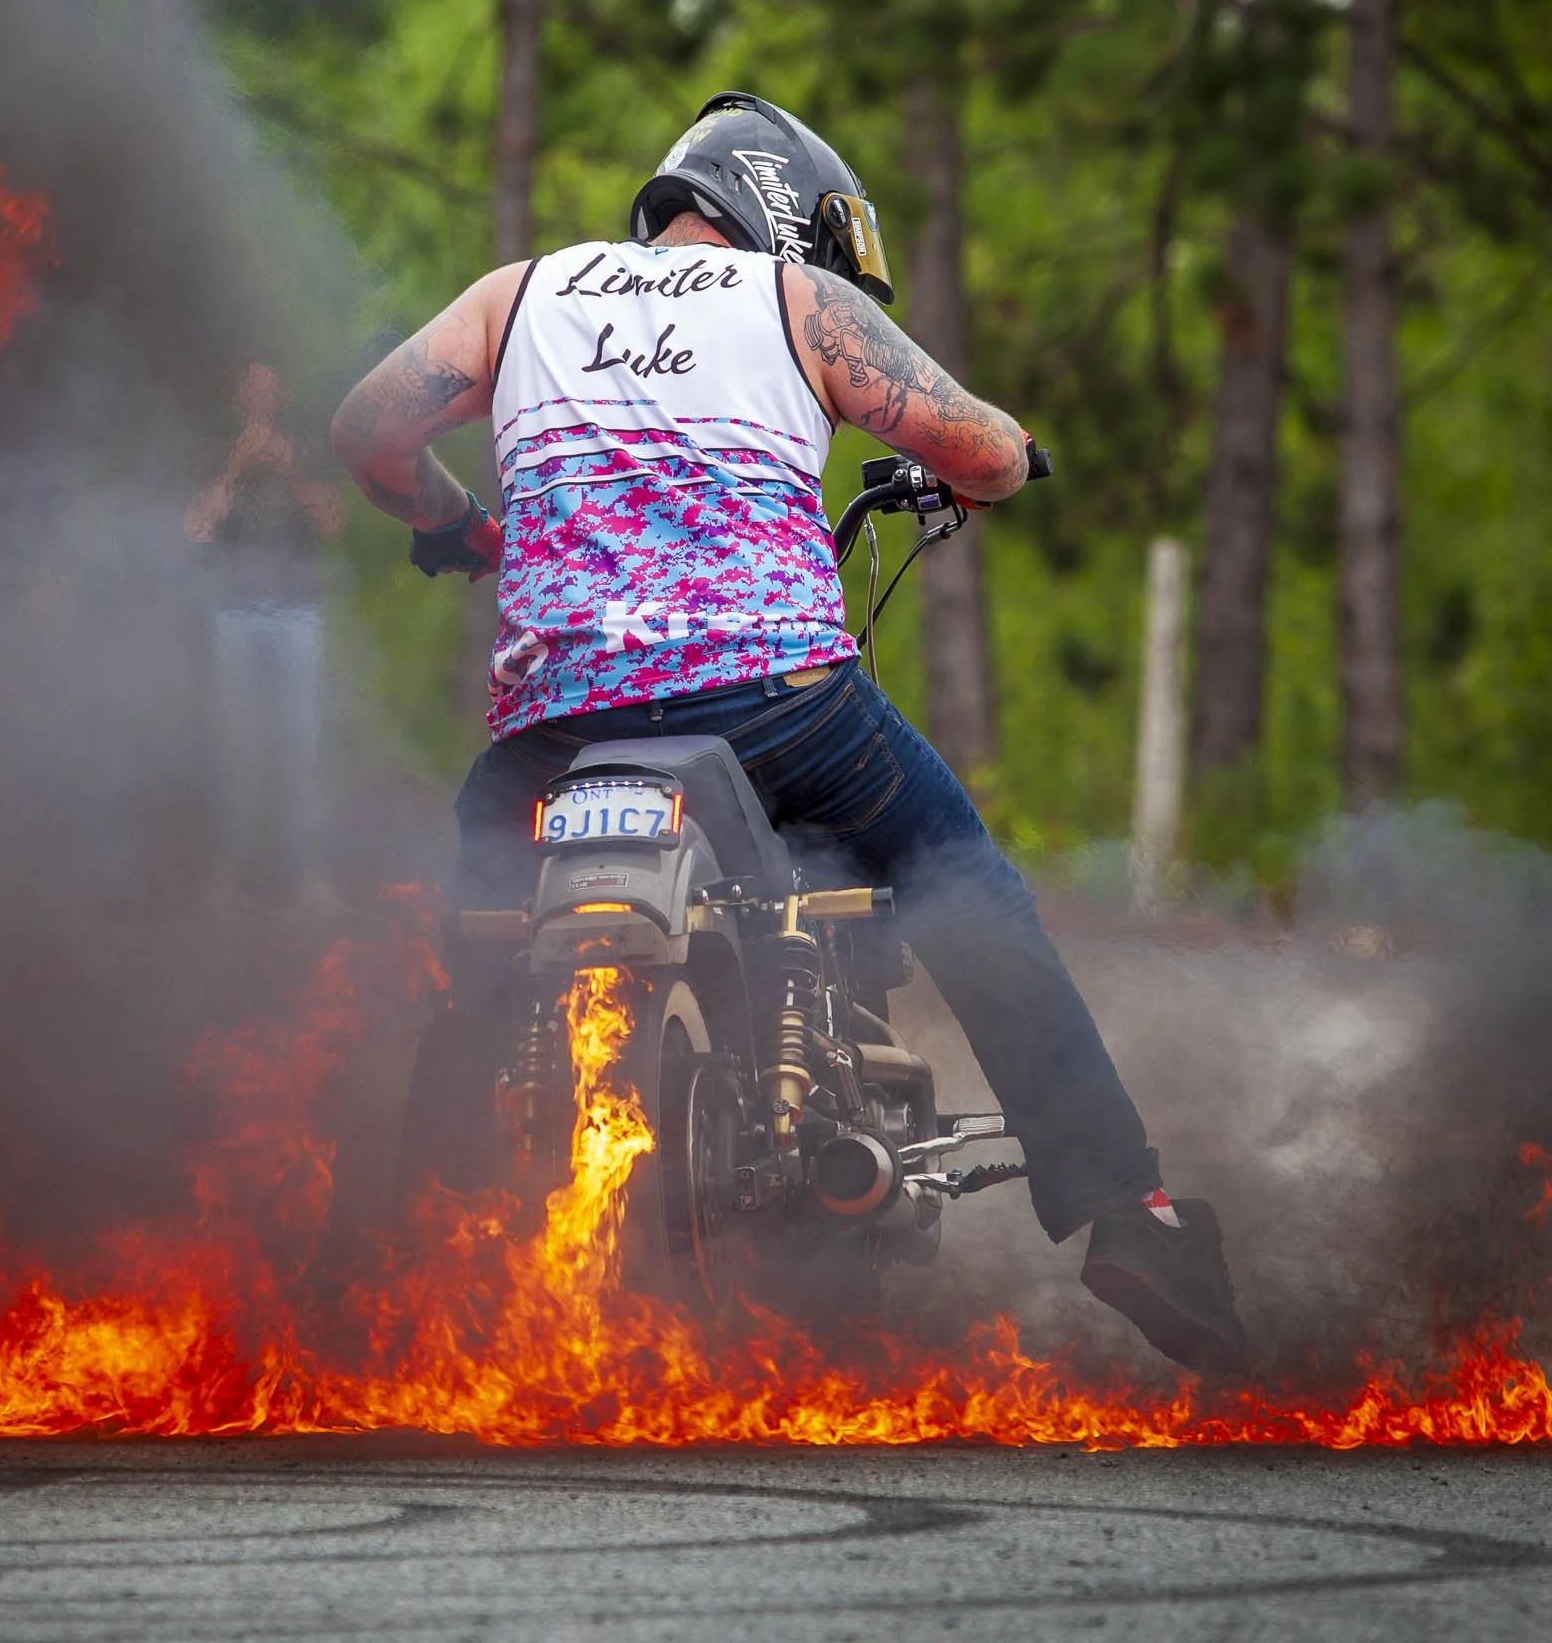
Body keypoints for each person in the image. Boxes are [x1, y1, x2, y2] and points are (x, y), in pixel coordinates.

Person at [328, 91, 1245, 1374]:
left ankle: (395, 1269)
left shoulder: (514, 295)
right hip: (775, 707)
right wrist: (1012, 458)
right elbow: (972, 448)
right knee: (964, 883)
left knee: (475, 961)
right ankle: (1125, 1214)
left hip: (552, 733)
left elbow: (364, 429)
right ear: (783, 217)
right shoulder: (800, 303)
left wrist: (460, 526)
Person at [187, 363, 343, 899]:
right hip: (235, 613)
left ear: (281, 392)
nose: (259, 393)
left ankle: (306, 877)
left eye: (268, 384)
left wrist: (290, 467)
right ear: (239, 396)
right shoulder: (219, 451)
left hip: (298, 613)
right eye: (249, 384)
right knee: (239, 745)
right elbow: (196, 530)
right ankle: (230, 877)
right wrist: (236, 467)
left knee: (300, 746)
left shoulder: (306, 447)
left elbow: (332, 525)